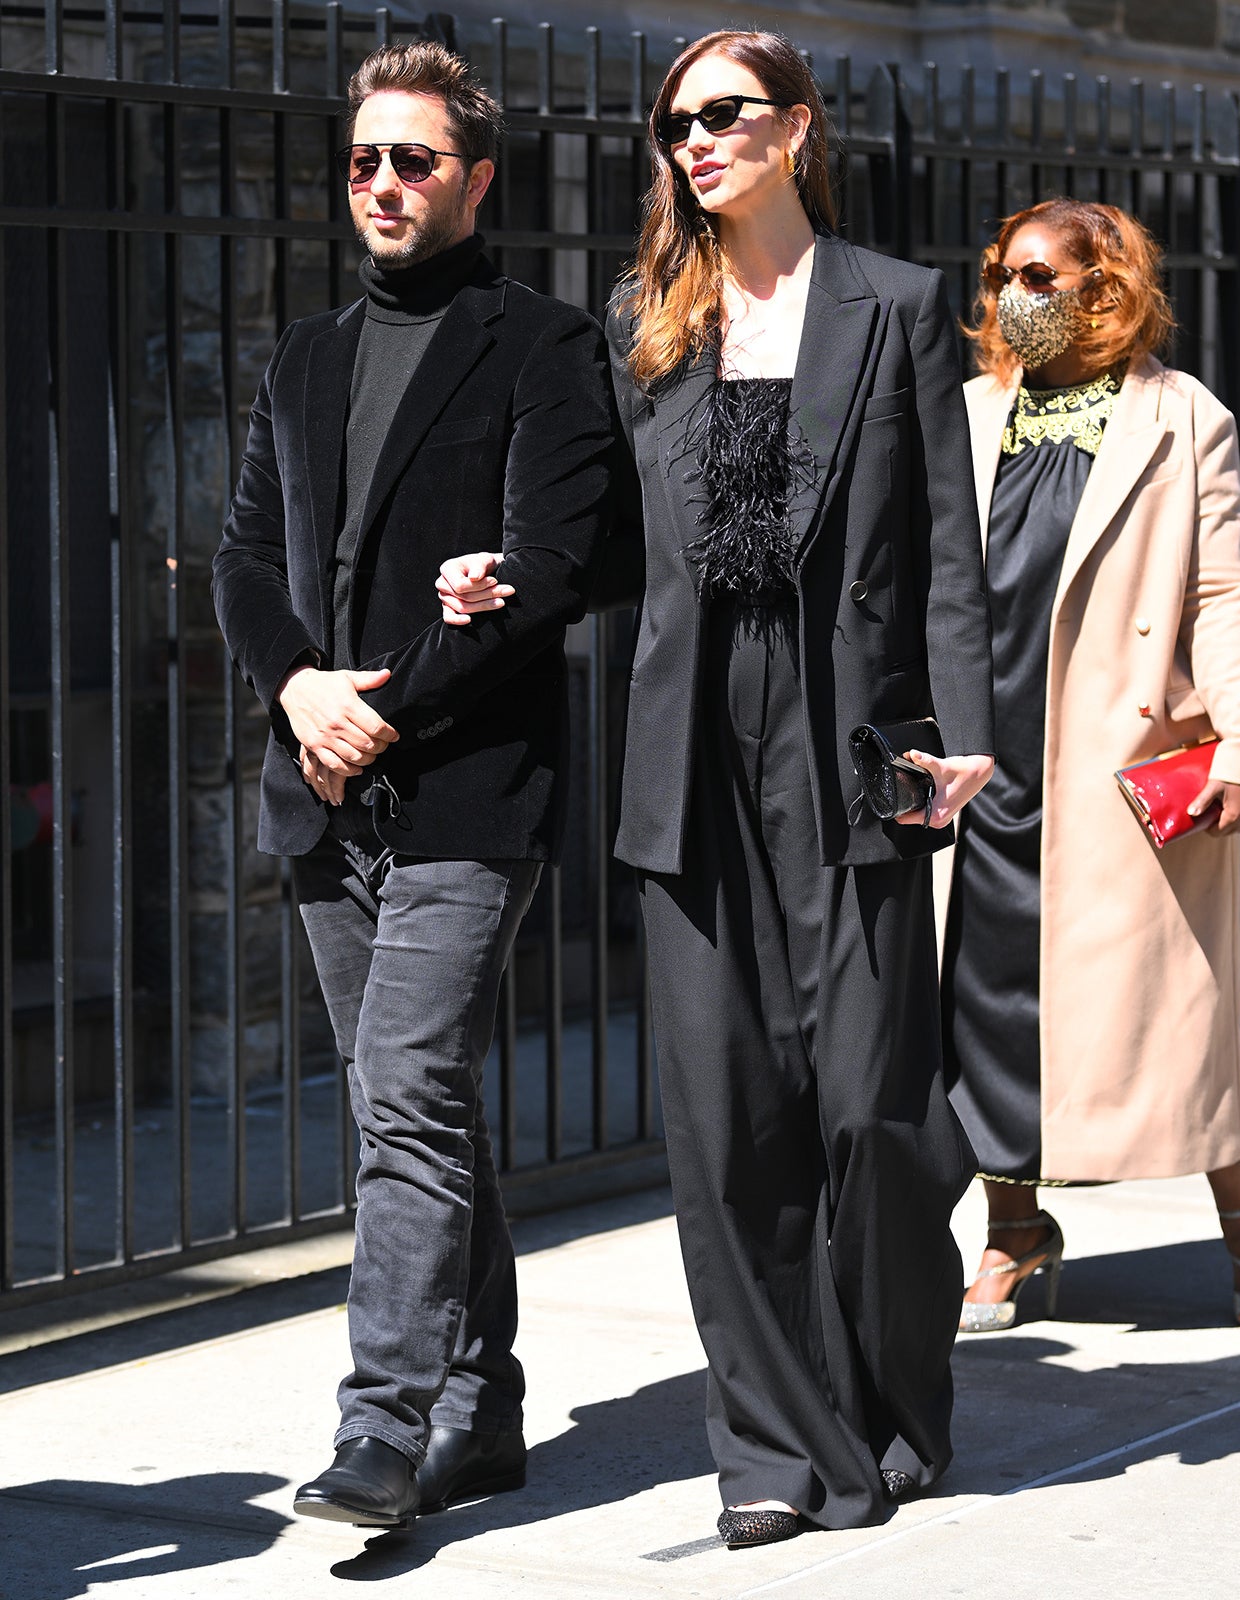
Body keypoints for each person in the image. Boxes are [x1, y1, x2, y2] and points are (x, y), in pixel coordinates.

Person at [436, 29, 996, 1546]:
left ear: (795, 130)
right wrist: (513, 573)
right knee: (720, 1103)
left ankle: (886, 1394)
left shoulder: (893, 306)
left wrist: (967, 728)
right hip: (689, 738)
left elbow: (949, 540)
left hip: (855, 738)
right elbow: (610, 537)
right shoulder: (646, 316)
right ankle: (765, 1448)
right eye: (675, 123)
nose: (694, 142)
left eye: (724, 116)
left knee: (873, 1105)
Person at [212, 41, 615, 1528]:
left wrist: (383, 714)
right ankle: (485, 1403)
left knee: (409, 1098)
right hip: (320, 791)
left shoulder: (539, 344)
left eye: (417, 161)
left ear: (476, 178)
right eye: (367, 159)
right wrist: (301, 693)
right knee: (413, 1106)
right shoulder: (306, 355)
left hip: (468, 790)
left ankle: (383, 1423)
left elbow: (554, 567)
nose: (385, 183)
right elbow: (248, 557)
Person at [941, 198, 1240, 1333]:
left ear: (1102, 283)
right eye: (1001, 276)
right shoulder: (970, 412)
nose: (1011, 297)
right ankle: (1012, 1227)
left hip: (1119, 751)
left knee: (1173, 1013)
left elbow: (1220, 592)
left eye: (1038, 276)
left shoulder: (1181, 418)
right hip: (981, 750)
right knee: (979, 1000)